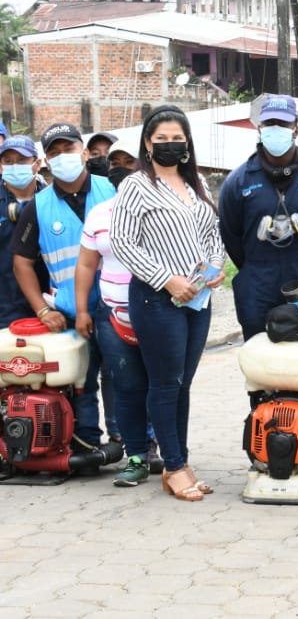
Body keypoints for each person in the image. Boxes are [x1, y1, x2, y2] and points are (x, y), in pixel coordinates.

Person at [111, 106, 225, 501]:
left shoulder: (197, 183)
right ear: (147, 143)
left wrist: (215, 267)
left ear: (187, 142)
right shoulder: (135, 186)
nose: (170, 145)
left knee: (183, 384)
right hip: (156, 299)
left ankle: (182, 461)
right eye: (161, 139)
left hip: (198, 299)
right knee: (165, 383)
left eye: (177, 139)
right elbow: (123, 242)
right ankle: (173, 467)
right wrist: (167, 279)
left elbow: (212, 232)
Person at [12, 122, 117, 451]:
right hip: (72, 313)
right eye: (54, 153)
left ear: (83, 153)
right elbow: (21, 263)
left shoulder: (114, 190)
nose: (62, 157)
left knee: (125, 378)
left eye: (68, 149)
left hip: (118, 306)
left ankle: (133, 444)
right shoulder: (38, 206)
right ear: (46, 162)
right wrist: (43, 310)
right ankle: (88, 446)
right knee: (80, 382)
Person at [219, 94, 298, 342]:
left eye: (283, 123)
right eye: (269, 123)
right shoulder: (238, 181)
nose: (275, 129)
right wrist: (256, 269)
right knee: (262, 355)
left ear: (296, 129)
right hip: (258, 284)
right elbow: (231, 236)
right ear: (259, 128)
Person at [75, 139, 157, 487]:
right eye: (114, 162)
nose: (120, 168)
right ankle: (136, 455)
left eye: (128, 161)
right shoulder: (100, 213)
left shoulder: (163, 207)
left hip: (158, 311)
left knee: (162, 384)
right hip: (112, 312)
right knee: (126, 385)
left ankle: (167, 453)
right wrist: (82, 309)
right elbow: (86, 264)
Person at [0, 135, 46, 328]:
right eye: (8, 161)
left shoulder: (51, 200)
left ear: (37, 164)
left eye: (22, 160)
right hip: (4, 306)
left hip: (48, 304)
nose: (15, 166)